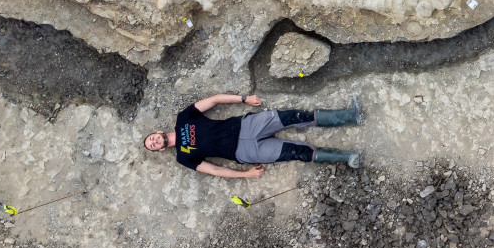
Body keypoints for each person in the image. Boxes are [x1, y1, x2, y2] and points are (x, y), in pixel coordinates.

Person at [143, 93, 363, 178]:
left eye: (151, 138)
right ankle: (349, 157)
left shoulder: (183, 118)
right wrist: (245, 175)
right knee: (297, 151)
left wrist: (244, 99)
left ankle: (350, 115)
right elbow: (215, 170)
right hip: (245, 151)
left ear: (158, 132)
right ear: (161, 149)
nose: (154, 142)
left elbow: (214, 100)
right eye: (153, 146)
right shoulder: (183, 157)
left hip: (246, 126)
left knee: (294, 116)